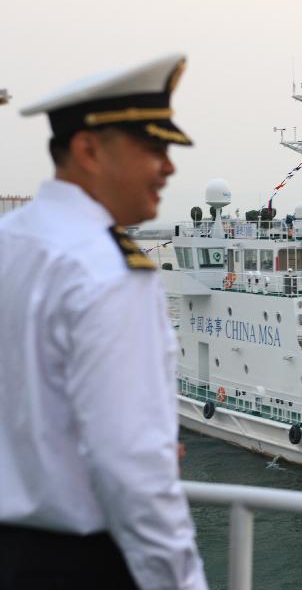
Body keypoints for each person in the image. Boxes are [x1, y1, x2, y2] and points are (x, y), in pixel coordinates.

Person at [0, 55, 207, 588]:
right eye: (152, 147)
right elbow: (131, 466)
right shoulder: (107, 270)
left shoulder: (9, 242)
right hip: (79, 563)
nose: (168, 167)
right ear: (88, 150)